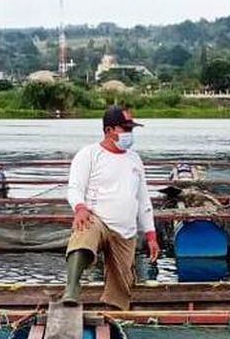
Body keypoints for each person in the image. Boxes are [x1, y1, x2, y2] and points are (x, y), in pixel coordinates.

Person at [61, 105, 160, 309]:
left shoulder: (135, 159)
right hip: (97, 219)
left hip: (125, 230)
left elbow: (143, 199)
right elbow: (74, 188)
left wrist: (151, 234)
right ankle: (71, 289)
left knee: (122, 286)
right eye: (125, 129)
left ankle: (115, 312)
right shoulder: (88, 154)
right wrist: (80, 208)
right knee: (84, 231)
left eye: (131, 129)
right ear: (109, 131)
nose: (130, 134)